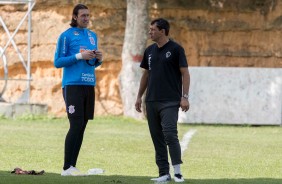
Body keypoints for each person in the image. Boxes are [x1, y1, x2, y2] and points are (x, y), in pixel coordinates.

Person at [135, 18, 190, 183]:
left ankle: (178, 172)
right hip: (151, 101)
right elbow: (146, 74)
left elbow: (185, 73)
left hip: (170, 101)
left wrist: (184, 97)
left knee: (170, 133)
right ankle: (164, 173)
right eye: (150, 29)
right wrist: (139, 96)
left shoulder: (176, 49)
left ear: (163, 31)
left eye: (153, 29)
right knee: (156, 137)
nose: (150, 32)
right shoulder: (149, 51)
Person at [54, 4, 103, 176]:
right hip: (72, 84)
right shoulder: (66, 36)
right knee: (75, 124)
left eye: (88, 15)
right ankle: (66, 167)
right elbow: (58, 62)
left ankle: (72, 167)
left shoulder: (92, 36)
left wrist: (98, 59)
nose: (86, 18)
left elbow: (91, 63)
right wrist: (79, 56)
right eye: (83, 15)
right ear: (74, 17)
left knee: (82, 125)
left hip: (89, 84)